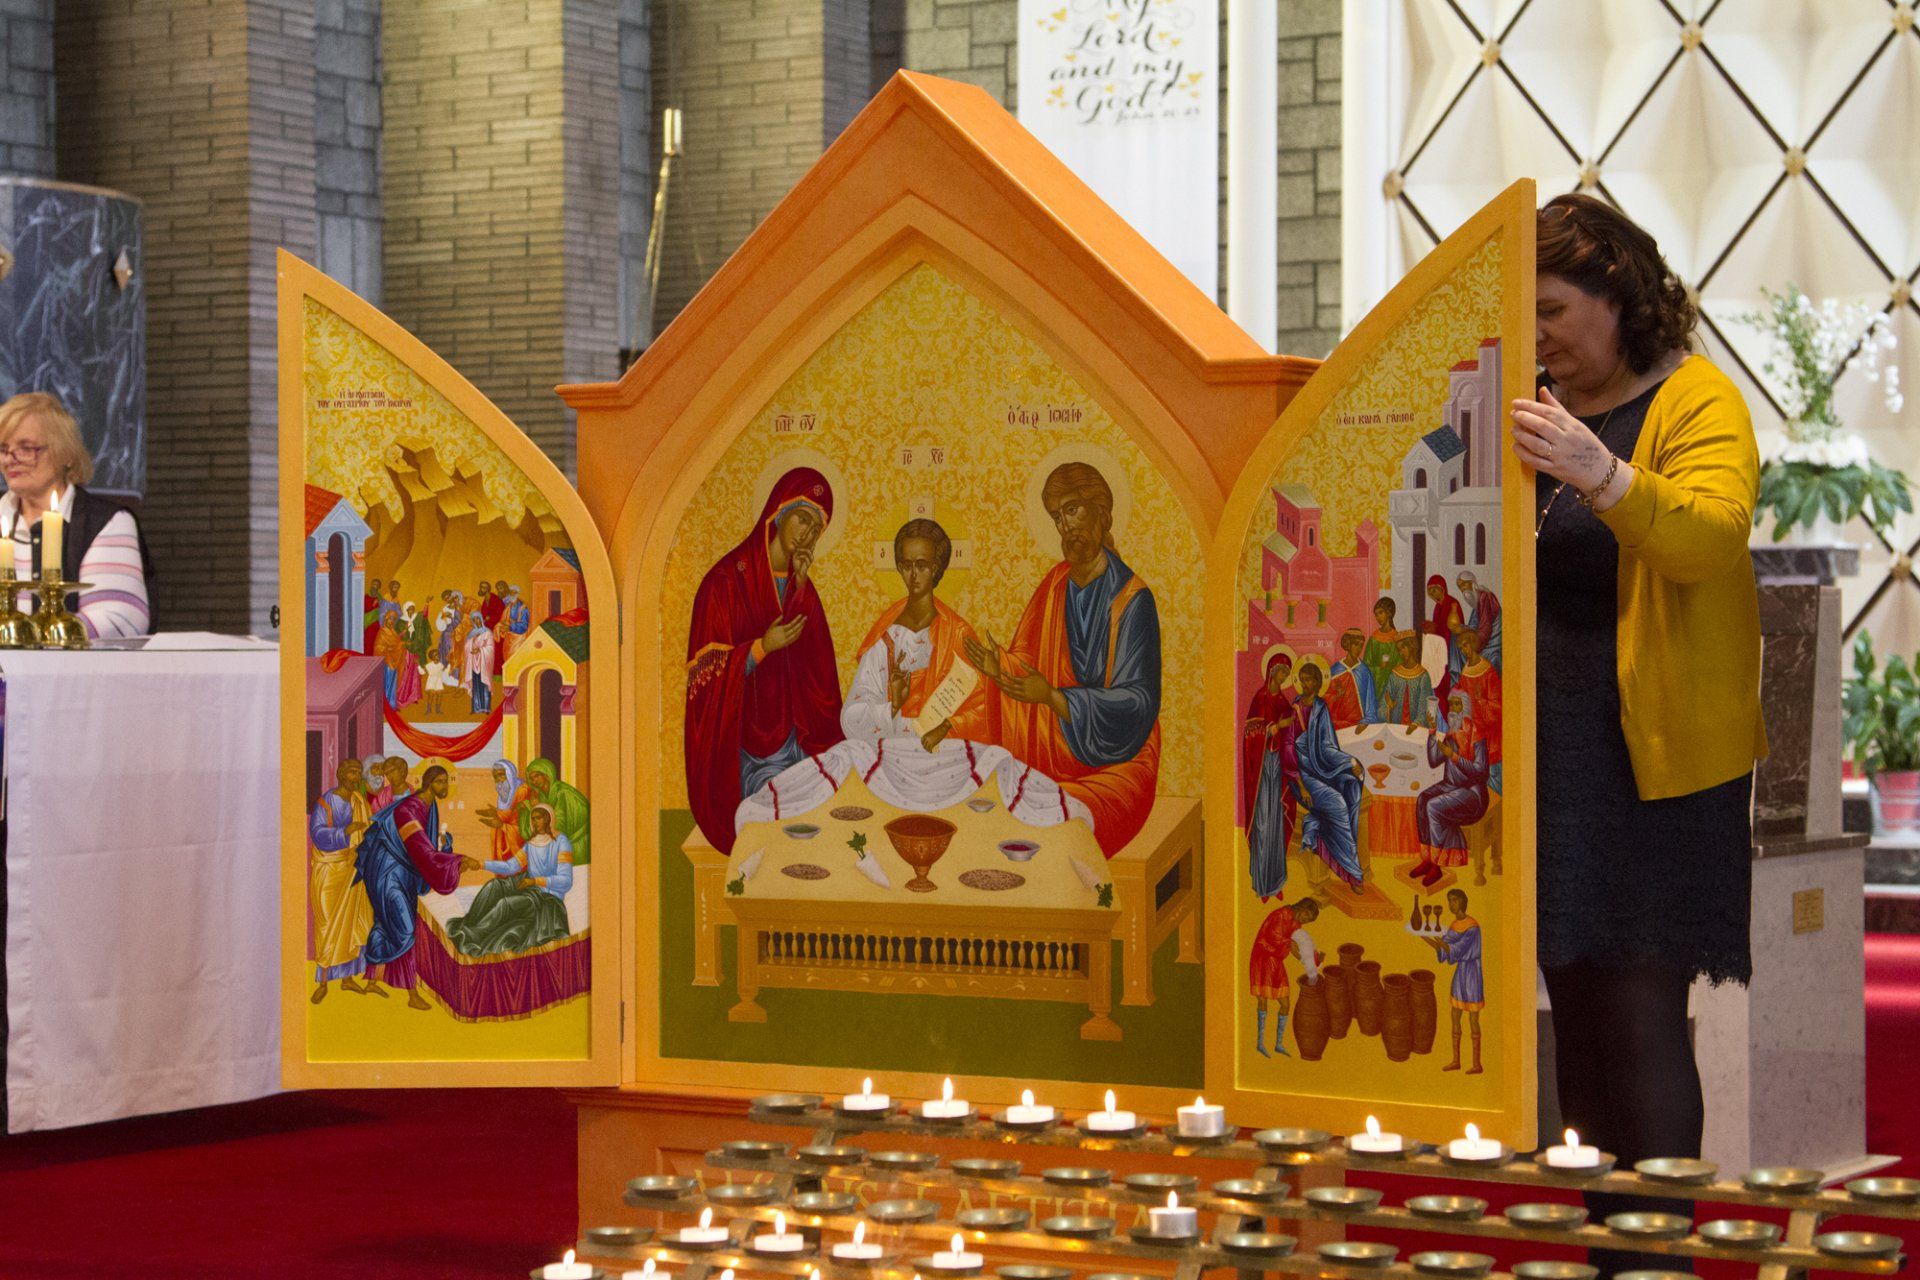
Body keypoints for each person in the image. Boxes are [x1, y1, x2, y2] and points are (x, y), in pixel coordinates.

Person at [1511, 193, 1766, 1275]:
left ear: (1621, 293)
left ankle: (1657, 1258)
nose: (1541, 339)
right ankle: (1603, 1249)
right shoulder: (1525, 404)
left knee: (1643, 1007)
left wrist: (1599, 472)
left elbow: (1710, 537)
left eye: (1556, 311)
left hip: (1656, 760)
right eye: (1523, 321)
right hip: (1550, 753)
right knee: (1574, 1000)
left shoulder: (1696, 397)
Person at [734, 518, 1085, 830]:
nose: (913, 575)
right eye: (906, 565)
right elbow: (851, 718)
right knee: (840, 762)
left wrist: (948, 726)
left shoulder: (959, 633)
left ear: (938, 569)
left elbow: (984, 710)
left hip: (946, 758)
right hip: (889, 755)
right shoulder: (885, 635)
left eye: (923, 565)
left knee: (1002, 768)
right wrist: (892, 708)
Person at [962, 462, 1162, 857]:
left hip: (1115, 761)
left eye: (1073, 510)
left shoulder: (1133, 600)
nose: (1065, 525)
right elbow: (1028, 665)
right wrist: (999, 668)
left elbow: (1139, 705)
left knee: (1048, 815)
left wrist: (1055, 698)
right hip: (1049, 746)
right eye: (1057, 516)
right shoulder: (1055, 584)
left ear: (1101, 514)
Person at [684, 467, 843, 853]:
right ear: (779, 511)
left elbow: (820, 678)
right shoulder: (724, 582)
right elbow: (703, 682)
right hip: (746, 751)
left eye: (816, 528)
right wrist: (760, 648)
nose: (807, 533)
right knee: (782, 824)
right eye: (803, 517)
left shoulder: (803, 586)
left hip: (796, 739)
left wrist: (801, 593)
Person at [0, 392, 153, 638]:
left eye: (26, 448)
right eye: (4, 449)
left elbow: (120, 619)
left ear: (66, 454)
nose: (10, 460)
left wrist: (29, 637)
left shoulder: (103, 523)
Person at [352, 765, 482, 1010]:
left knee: (385, 922)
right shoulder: (408, 810)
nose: (445, 787)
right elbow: (422, 851)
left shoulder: (429, 806)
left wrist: (445, 849)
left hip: (405, 872)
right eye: (441, 782)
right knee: (405, 927)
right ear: (429, 782)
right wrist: (458, 861)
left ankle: (374, 980)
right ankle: (411, 994)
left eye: (447, 782)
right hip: (387, 871)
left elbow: (425, 848)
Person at [447, 804, 574, 957]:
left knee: (505, 904)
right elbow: (510, 866)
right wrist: (480, 864)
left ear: (548, 819)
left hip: (547, 899)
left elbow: (565, 881)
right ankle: (470, 926)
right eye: (532, 819)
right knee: (494, 886)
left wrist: (535, 882)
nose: (534, 822)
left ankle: (473, 936)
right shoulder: (532, 843)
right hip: (530, 888)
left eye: (538, 818)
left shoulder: (561, 841)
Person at [1289, 663, 1363, 890]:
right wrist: (1301, 785)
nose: (1305, 684)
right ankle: (1352, 872)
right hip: (1301, 774)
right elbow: (1288, 747)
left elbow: (1327, 746)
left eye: (1310, 680)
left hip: (1324, 766)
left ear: (1318, 683)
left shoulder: (1321, 708)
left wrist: (1350, 763)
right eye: (1302, 679)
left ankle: (1338, 846)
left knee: (1351, 786)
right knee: (1338, 804)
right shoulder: (1294, 709)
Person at [307, 758, 373, 1002]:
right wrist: (343, 832)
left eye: (358, 772)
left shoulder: (359, 801)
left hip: (352, 867)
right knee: (327, 926)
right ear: (341, 775)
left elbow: (367, 832)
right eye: (352, 772)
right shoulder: (326, 802)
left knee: (352, 923)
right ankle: (324, 981)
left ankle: (348, 978)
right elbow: (317, 834)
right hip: (329, 869)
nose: (356, 777)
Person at [1413, 691, 1491, 887]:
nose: (1452, 709)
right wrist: (1431, 731)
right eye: (1451, 704)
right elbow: (1433, 761)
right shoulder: (1451, 732)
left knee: (1433, 806)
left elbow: (1481, 772)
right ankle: (1428, 859)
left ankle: (1437, 866)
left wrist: (1454, 757)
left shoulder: (1477, 735)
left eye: (1457, 704)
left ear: (1465, 708)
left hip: (1473, 795)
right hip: (1451, 786)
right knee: (1422, 800)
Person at [1242, 651, 1299, 901]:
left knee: (1276, 822)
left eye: (1287, 674)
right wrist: (1270, 729)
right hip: (1263, 768)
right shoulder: (1260, 698)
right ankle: (1262, 884)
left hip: (1278, 769)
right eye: (1281, 672)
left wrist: (1287, 725)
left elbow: (1292, 727)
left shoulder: (1282, 700)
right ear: (1272, 670)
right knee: (1263, 823)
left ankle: (1275, 882)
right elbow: (1249, 734)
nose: (1284, 676)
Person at [1248, 898, 1321, 1057]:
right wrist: (1291, 945)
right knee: (1262, 1000)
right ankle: (1261, 1042)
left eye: (1308, 920)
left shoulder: (1296, 925)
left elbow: (1298, 948)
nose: (1305, 921)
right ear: (1301, 908)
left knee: (1285, 1003)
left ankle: (1278, 1043)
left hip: (1276, 962)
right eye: (1306, 916)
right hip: (1263, 958)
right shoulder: (1281, 915)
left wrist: (1314, 961)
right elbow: (1273, 936)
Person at [1421, 888, 1483, 1074]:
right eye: (1450, 901)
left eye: (1454, 900)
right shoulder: (1454, 925)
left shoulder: (1472, 926)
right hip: (1460, 973)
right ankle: (1456, 1060)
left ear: (1462, 902)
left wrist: (1442, 944)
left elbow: (1458, 948)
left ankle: (1476, 1064)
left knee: (1473, 1017)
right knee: (1455, 1014)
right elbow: (1445, 950)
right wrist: (1426, 939)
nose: (1451, 904)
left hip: (1471, 972)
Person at [1452, 627, 1502, 794]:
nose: (1464, 651)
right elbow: (1461, 690)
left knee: (1489, 779)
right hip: (1471, 731)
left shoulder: (1488, 672)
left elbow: (1497, 707)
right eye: (1461, 648)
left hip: (1487, 735)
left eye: (1465, 646)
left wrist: (1480, 701)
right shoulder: (1467, 669)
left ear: (1473, 644)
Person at [521, 757, 590, 864]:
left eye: (537, 776)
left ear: (547, 774)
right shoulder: (542, 796)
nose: (534, 780)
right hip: (560, 843)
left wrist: (536, 807)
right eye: (531, 778)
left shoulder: (563, 793)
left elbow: (559, 825)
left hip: (578, 844)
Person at [476, 759, 533, 862]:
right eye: (496, 777)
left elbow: (520, 822)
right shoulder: (504, 794)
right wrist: (496, 813)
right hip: (505, 840)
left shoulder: (522, 791)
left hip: (520, 842)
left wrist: (499, 820)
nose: (499, 781)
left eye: (501, 775)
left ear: (510, 773)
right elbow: (507, 815)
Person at [1324, 628, 1379, 728]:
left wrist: (1366, 721)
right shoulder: (1335, 669)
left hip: (1358, 724)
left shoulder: (1364, 671)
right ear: (1348, 644)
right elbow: (1326, 697)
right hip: (1337, 723)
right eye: (1355, 644)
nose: (1358, 649)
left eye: (1361, 646)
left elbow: (1370, 701)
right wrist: (1336, 696)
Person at [1381, 632, 1436, 730]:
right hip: (1396, 728)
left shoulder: (1423, 675)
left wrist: (1416, 724)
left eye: (1403, 647)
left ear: (1411, 647)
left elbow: (1424, 708)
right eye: (1399, 649)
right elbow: (1385, 698)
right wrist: (1388, 705)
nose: (1401, 652)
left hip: (1415, 730)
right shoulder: (1394, 674)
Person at [1423, 574, 1466, 697]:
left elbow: (1456, 628)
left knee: (1449, 683)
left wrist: (1435, 629)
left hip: (1452, 650)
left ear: (1442, 588)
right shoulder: (1437, 608)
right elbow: (1437, 629)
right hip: (1441, 649)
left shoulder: (1453, 603)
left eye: (1434, 589)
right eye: (1430, 591)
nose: (1432, 593)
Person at [1457, 571, 1502, 671]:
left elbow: (1485, 628)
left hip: (1491, 644)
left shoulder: (1485, 598)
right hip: (1484, 640)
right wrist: (1463, 628)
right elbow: (1474, 626)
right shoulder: (1477, 603)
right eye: (1460, 587)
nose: (1463, 589)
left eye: (1464, 584)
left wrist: (1474, 646)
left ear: (1472, 582)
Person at [1361, 596, 1400, 697]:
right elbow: (1366, 665)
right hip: (1376, 686)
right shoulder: (1374, 638)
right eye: (1376, 615)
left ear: (1389, 613)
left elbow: (1401, 664)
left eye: (1381, 613)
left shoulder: (1397, 638)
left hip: (1393, 686)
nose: (1378, 617)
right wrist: (1379, 668)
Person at [464, 609, 495, 714]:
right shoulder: (471, 634)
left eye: (478, 619)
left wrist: (480, 650)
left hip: (484, 662)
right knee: (475, 685)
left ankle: (486, 708)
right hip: (473, 662)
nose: (476, 621)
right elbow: (466, 647)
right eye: (474, 619)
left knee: (484, 683)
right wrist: (472, 640)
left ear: (481, 619)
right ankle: (476, 708)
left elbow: (490, 648)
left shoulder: (487, 633)